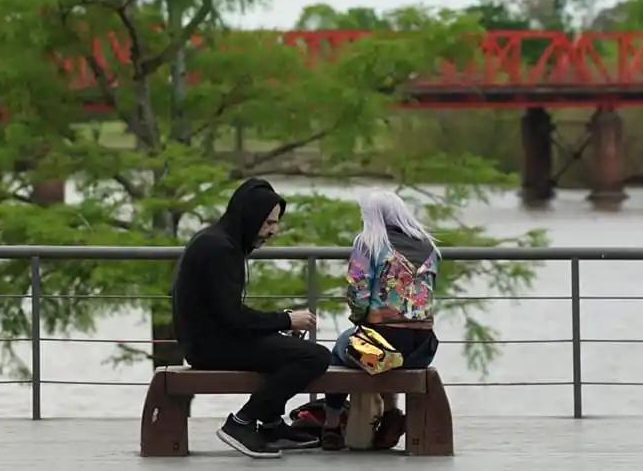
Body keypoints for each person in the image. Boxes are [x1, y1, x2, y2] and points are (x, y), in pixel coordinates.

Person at [171, 177, 331, 459]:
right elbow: (233, 317)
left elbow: (227, 316)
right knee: (314, 357)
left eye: (276, 222)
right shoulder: (219, 249)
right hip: (209, 347)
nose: (273, 231)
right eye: (268, 223)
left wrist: (278, 330)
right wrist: (286, 320)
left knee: (289, 350)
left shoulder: (220, 242)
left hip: (213, 339)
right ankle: (242, 423)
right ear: (250, 217)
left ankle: (270, 425)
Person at [320, 190, 441, 451]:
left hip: (381, 349)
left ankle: (331, 426)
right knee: (387, 352)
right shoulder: (428, 246)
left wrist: (360, 320)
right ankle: (391, 414)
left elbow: (358, 293)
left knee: (342, 350)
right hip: (423, 348)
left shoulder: (369, 243)